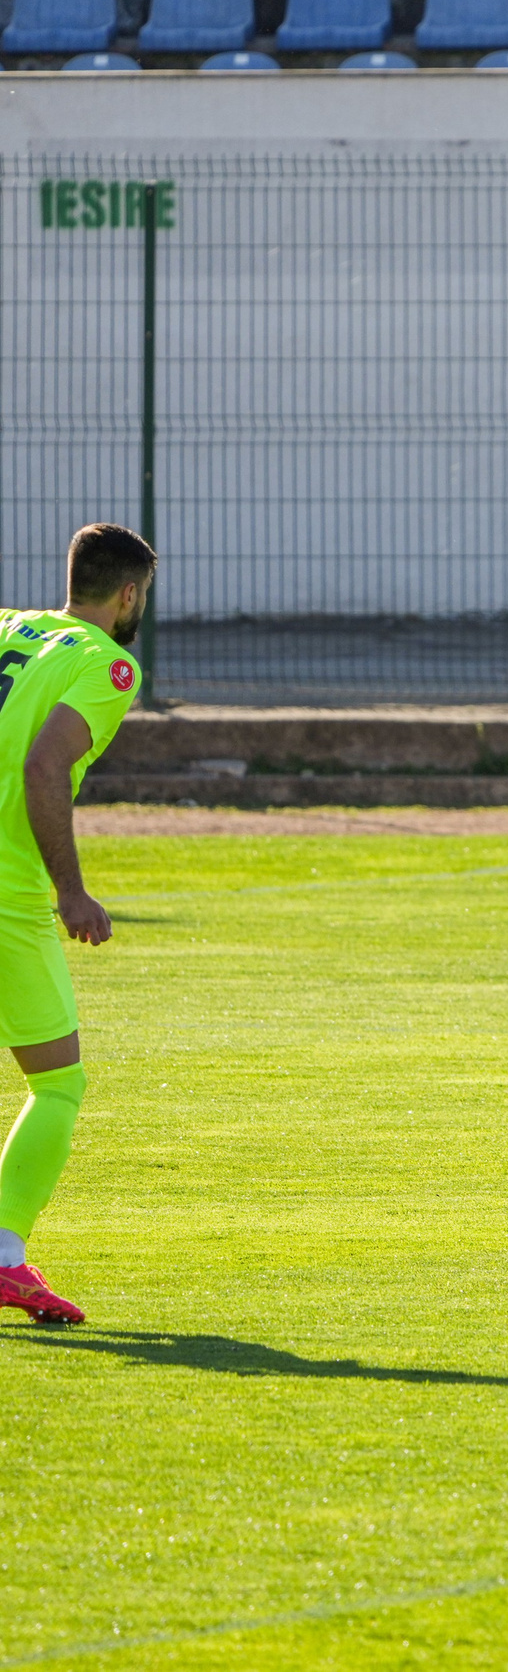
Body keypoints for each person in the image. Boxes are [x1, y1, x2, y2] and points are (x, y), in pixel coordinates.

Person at [0, 523, 158, 1324]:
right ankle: (3, 1258)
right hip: (7, 898)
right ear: (128, 594)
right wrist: (71, 891)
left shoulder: (9, 626)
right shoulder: (110, 664)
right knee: (58, 1082)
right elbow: (42, 764)